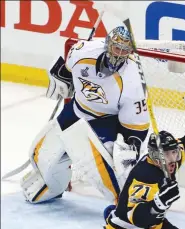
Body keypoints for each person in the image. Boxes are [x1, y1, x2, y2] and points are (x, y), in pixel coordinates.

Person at [20, 26, 149, 204]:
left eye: (125, 50)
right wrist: (62, 78)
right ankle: (55, 186)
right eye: (116, 48)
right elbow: (66, 71)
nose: (119, 54)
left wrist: (130, 147)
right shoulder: (82, 52)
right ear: (108, 45)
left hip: (104, 121)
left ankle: (126, 203)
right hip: (76, 110)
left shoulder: (132, 80)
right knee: (39, 154)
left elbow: (136, 127)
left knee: (101, 171)